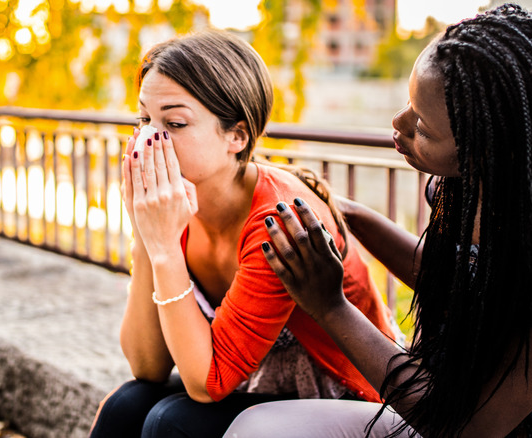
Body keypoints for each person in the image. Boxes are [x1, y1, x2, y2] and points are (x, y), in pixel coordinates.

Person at [225, 4, 532, 437]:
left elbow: (474, 427)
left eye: (424, 128)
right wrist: (345, 212)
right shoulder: (465, 190)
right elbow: (453, 279)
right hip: (448, 413)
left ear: (489, 148)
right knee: (256, 427)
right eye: (408, 105)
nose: (398, 124)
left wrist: (330, 306)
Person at [88, 30, 398, 438]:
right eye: (144, 119)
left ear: (237, 136)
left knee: (171, 422)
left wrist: (163, 246)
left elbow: (207, 384)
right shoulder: (179, 204)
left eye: (174, 123)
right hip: (250, 378)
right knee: (125, 406)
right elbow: (147, 366)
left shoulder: (277, 223)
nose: (148, 139)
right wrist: (148, 237)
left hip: (341, 392)